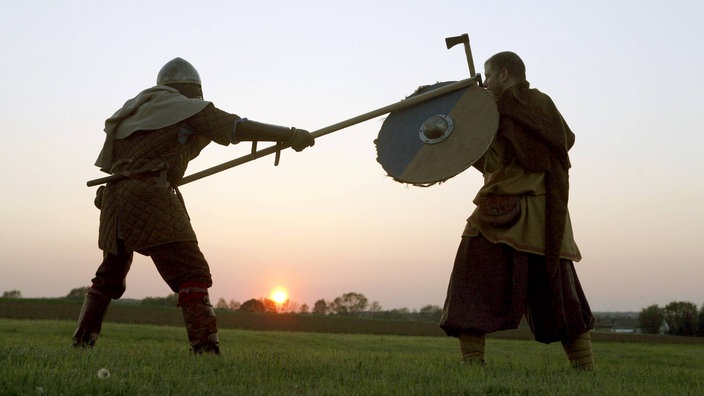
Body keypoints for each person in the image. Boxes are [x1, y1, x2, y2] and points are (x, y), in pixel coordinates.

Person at [73, 58, 315, 354]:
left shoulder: (132, 112)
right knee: (192, 272)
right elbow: (234, 127)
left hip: (114, 199)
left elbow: (128, 161)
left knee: (110, 274)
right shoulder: (183, 108)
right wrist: (288, 134)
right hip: (150, 195)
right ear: (190, 90)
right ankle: (205, 349)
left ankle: (82, 343)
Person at [439, 52, 595, 370]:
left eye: (489, 76)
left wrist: (465, 132)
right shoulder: (543, 105)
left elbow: (493, 161)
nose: (484, 83)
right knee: (559, 294)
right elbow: (560, 142)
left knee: (471, 283)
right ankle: (586, 370)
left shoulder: (507, 109)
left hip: (504, 214)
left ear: (505, 73)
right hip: (549, 218)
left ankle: (472, 365)